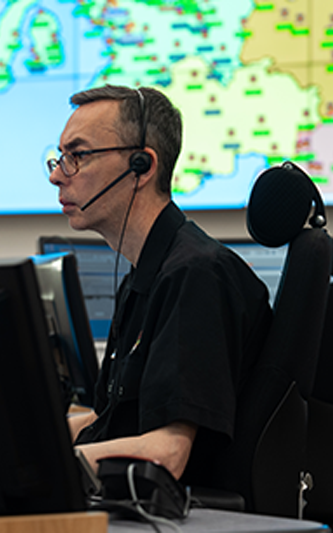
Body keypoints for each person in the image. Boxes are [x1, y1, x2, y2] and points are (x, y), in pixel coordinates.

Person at [47, 85, 272, 486]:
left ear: (142, 166)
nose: (56, 175)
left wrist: (42, 467)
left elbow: (168, 452)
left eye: (77, 157)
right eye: (60, 157)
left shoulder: (195, 275)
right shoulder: (144, 274)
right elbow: (110, 420)